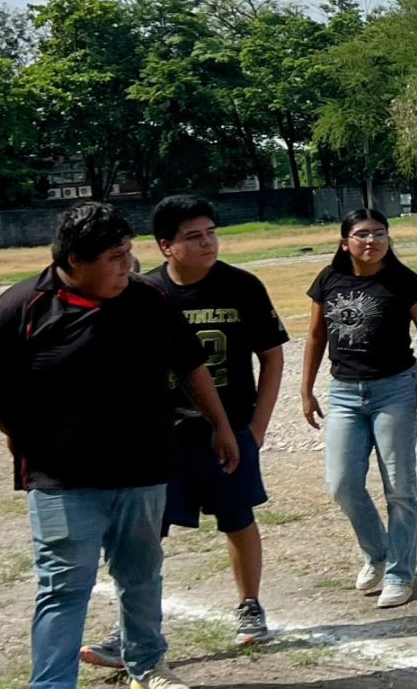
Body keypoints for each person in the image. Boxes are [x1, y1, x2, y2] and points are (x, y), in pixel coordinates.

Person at [0, 202, 240, 689]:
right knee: (64, 589)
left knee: (141, 574)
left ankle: (147, 665)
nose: (127, 265)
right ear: (74, 261)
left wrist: (220, 425)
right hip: (62, 480)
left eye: (129, 252)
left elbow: (189, 365)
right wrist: (18, 431)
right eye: (114, 257)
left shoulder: (149, 299)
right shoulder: (22, 307)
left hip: (143, 470)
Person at [82, 197, 287, 657]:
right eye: (193, 236)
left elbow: (272, 356)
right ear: (165, 246)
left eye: (211, 232)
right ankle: (130, 627)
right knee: (145, 532)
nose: (207, 242)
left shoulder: (242, 286)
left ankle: (250, 605)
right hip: (162, 436)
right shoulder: (146, 293)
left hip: (228, 430)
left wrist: (257, 426)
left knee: (237, 518)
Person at [301, 211, 417, 608]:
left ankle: (400, 573)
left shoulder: (404, 280)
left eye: (380, 233)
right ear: (344, 242)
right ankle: (378, 552)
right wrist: (306, 389)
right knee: (342, 483)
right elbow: (315, 336)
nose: (372, 241)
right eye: (362, 234)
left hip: (395, 388)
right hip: (345, 392)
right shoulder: (328, 279)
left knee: (399, 487)